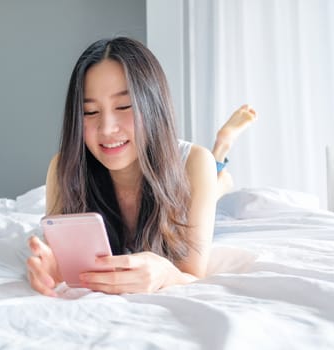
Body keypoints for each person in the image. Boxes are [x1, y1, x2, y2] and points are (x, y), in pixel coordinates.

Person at [26, 37, 257, 297]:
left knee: (213, 183)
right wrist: (51, 266)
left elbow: (192, 274)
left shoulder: (193, 163)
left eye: (124, 107)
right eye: (90, 112)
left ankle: (221, 148)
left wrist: (165, 273)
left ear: (153, 106)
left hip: (185, 168)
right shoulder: (64, 167)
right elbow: (56, 257)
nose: (107, 129)